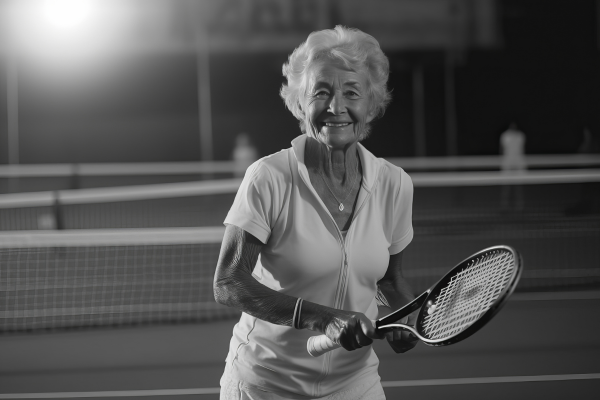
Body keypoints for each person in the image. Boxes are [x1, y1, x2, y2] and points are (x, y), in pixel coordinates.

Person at [214, 26, 417, 400]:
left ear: (371, 104)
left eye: (351, 93)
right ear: (299, 103)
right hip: (266, 385)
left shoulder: (395, 184)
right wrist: (323, 317)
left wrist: (405, 316)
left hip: (355, 385)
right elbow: (228, 282)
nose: (336, 107)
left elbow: (390, 279)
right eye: (321, 92)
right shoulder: (269, 177)